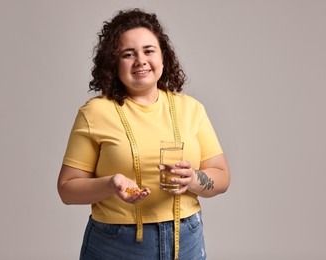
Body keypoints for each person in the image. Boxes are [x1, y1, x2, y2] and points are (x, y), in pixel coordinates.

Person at [57, 8, 230, 260]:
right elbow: (66, 189)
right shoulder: (95, 112)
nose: (141, 60)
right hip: (117, 243)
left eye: (149, 51)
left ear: (163, 57)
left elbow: (222, 176)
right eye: (128, 54)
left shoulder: (191, 109)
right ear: (113, 62)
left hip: (187, 239)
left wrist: (193, 179)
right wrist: (110, 184)